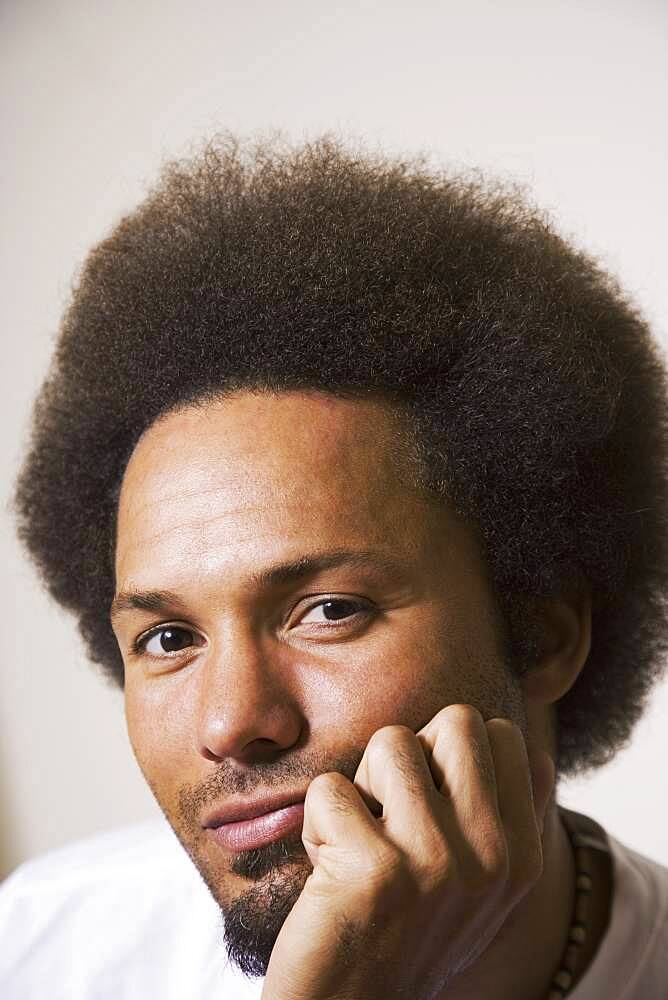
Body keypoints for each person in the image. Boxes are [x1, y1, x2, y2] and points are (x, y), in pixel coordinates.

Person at [2, 135, 667, 1000]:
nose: (233, 721)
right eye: (168, 636)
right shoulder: (40, 952)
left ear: (540, 633)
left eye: (328, 610)